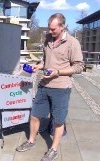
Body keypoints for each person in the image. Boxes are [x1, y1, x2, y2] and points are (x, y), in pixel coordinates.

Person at [15, 13, 84, 161]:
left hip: (61, 88)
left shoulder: (72, 43)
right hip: (44, 85)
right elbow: (45, 61)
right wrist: (38, 67)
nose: (50, 32)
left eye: (53, 29)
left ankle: (53, 150)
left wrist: (57, 72)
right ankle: (31, 141)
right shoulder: (47, 39)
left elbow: (79, 67)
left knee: (58, 120)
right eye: (49, 28)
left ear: (62, 26)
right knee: (34, 115)